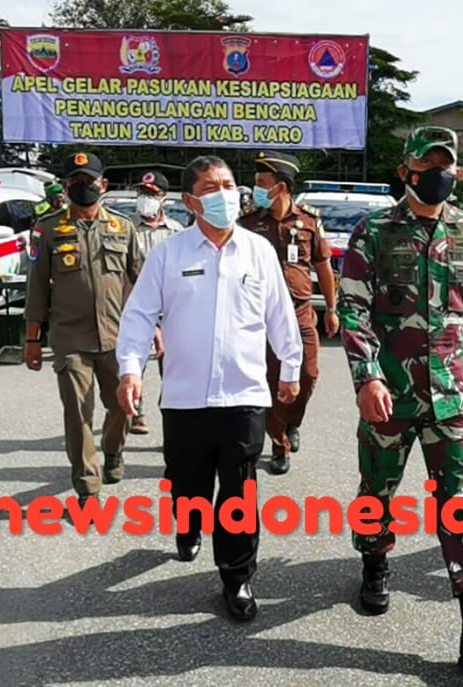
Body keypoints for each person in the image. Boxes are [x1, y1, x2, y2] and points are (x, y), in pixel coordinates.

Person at [337, 127, 463, 668]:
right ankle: (374, 561)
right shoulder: (374, 231)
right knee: (378, 488)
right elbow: (353, 310)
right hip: (390, 392)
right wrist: (367, 377)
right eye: (428, 164)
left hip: (453, 394)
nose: (439, 173)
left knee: (459, 501)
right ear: (406, 171)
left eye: (447, 164)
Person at [115, 155, 302, 621]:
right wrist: (130, 369)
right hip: (184, 396)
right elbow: (139, 315)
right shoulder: (169, 254)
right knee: (188, 483)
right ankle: (189, 523)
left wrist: (291, 368)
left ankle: (236, 578)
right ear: (191, 200)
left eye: (228, 184)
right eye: (212, 186)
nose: (225, 194)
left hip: (243, 395)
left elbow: (280, 313)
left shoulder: (258, 251)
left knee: (238, 490)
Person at [24, 152, 142, 497]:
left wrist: (156, 327)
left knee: (121, 407)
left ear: (102, 185)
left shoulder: (123, 227)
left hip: (118, 337)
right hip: (70, 337)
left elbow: (142, 282)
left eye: (88, 181)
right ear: (64, 186)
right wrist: (32, 340)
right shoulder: (47, 230)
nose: (82, 187)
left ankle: (113, 450)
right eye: (74, 181)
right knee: (77, 413)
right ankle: (87, 486)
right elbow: (35, 288)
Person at [238, 151, 339, 474]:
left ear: (280, 187)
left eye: (262, 183)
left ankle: (293, 421)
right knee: (272, 380)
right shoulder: (249, 222)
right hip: (261, 315)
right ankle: (279, 444)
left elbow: (323, 267)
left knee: (308, 376)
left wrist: (332, 308)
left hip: (301, 312)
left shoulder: (308, 221)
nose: (256, 188)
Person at [128, 170, 184, 435]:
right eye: (142, 193)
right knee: (133, 362)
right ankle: (135, 412)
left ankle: (173, 420)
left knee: (171, 367)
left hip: (170, 308)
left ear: (163, 199)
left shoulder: (176, 232)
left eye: (151, 194)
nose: (145, 199)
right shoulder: (127, 229)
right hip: (136, 305)